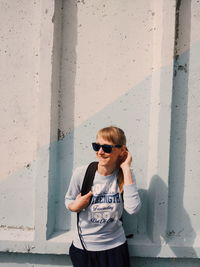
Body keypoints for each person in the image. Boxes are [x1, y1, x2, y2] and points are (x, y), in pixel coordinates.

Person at [65, 126, 141, 267]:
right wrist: (75, 206)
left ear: (122, 150)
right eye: (96, 146)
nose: (100, 152)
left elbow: (133, 209)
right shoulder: (82, 173)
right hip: (84, 248)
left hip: (115, 248)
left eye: (106, 148)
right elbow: (69, 199)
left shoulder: (124, 175)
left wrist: (126, 168)